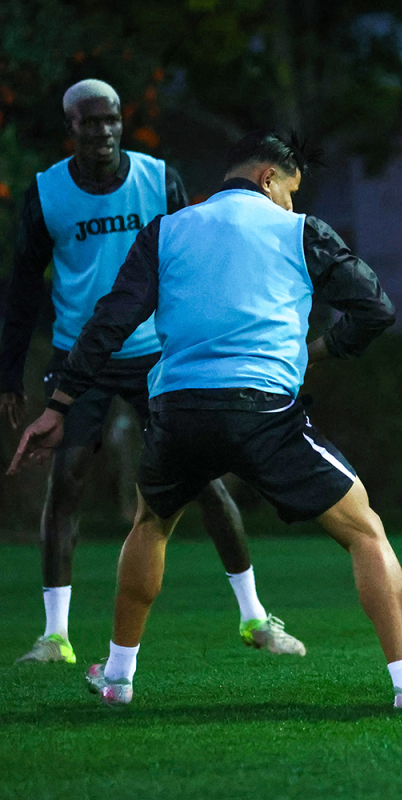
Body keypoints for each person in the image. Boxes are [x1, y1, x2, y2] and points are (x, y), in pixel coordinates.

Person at [8, 131, 402, 709]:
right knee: (365, 531)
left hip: (177, 412)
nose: (293, 205)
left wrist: (59, 406)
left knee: (150, 525)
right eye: (291, 191)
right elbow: (376, 308)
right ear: (269, 179)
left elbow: (108, 323)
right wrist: (318, 351)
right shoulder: (299, 231)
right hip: (264, 412)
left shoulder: (167, 229)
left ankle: (117, 678)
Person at [1, 80, 303, 664]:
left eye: (112, 119)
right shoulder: (47, 193)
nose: (104, 131)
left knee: (205, 479)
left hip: (155, 353)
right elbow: (22, 289)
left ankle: (255, 617)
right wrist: (9, 373)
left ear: (122, 122)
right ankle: (55, 637)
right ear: (71, 128)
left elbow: (196, 250)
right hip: (81, 358)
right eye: (91, 122)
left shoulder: (157, 179)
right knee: (66, 484)